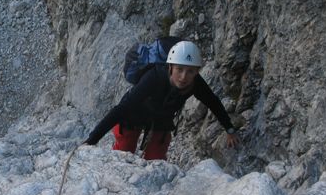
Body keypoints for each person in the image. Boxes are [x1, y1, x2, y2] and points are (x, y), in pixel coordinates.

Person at [84, 40, 240, 160]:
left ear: (197, 72)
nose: (184, 77)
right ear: (170, 67)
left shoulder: (196, 83)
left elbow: (213, 103)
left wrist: (230, 129)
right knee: (122, 155)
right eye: (179, 69)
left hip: (161, 120)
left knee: (155, 160)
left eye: (190, 71)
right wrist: (92, 139)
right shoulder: (154, 77)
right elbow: (122, 108)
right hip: (133, 115)